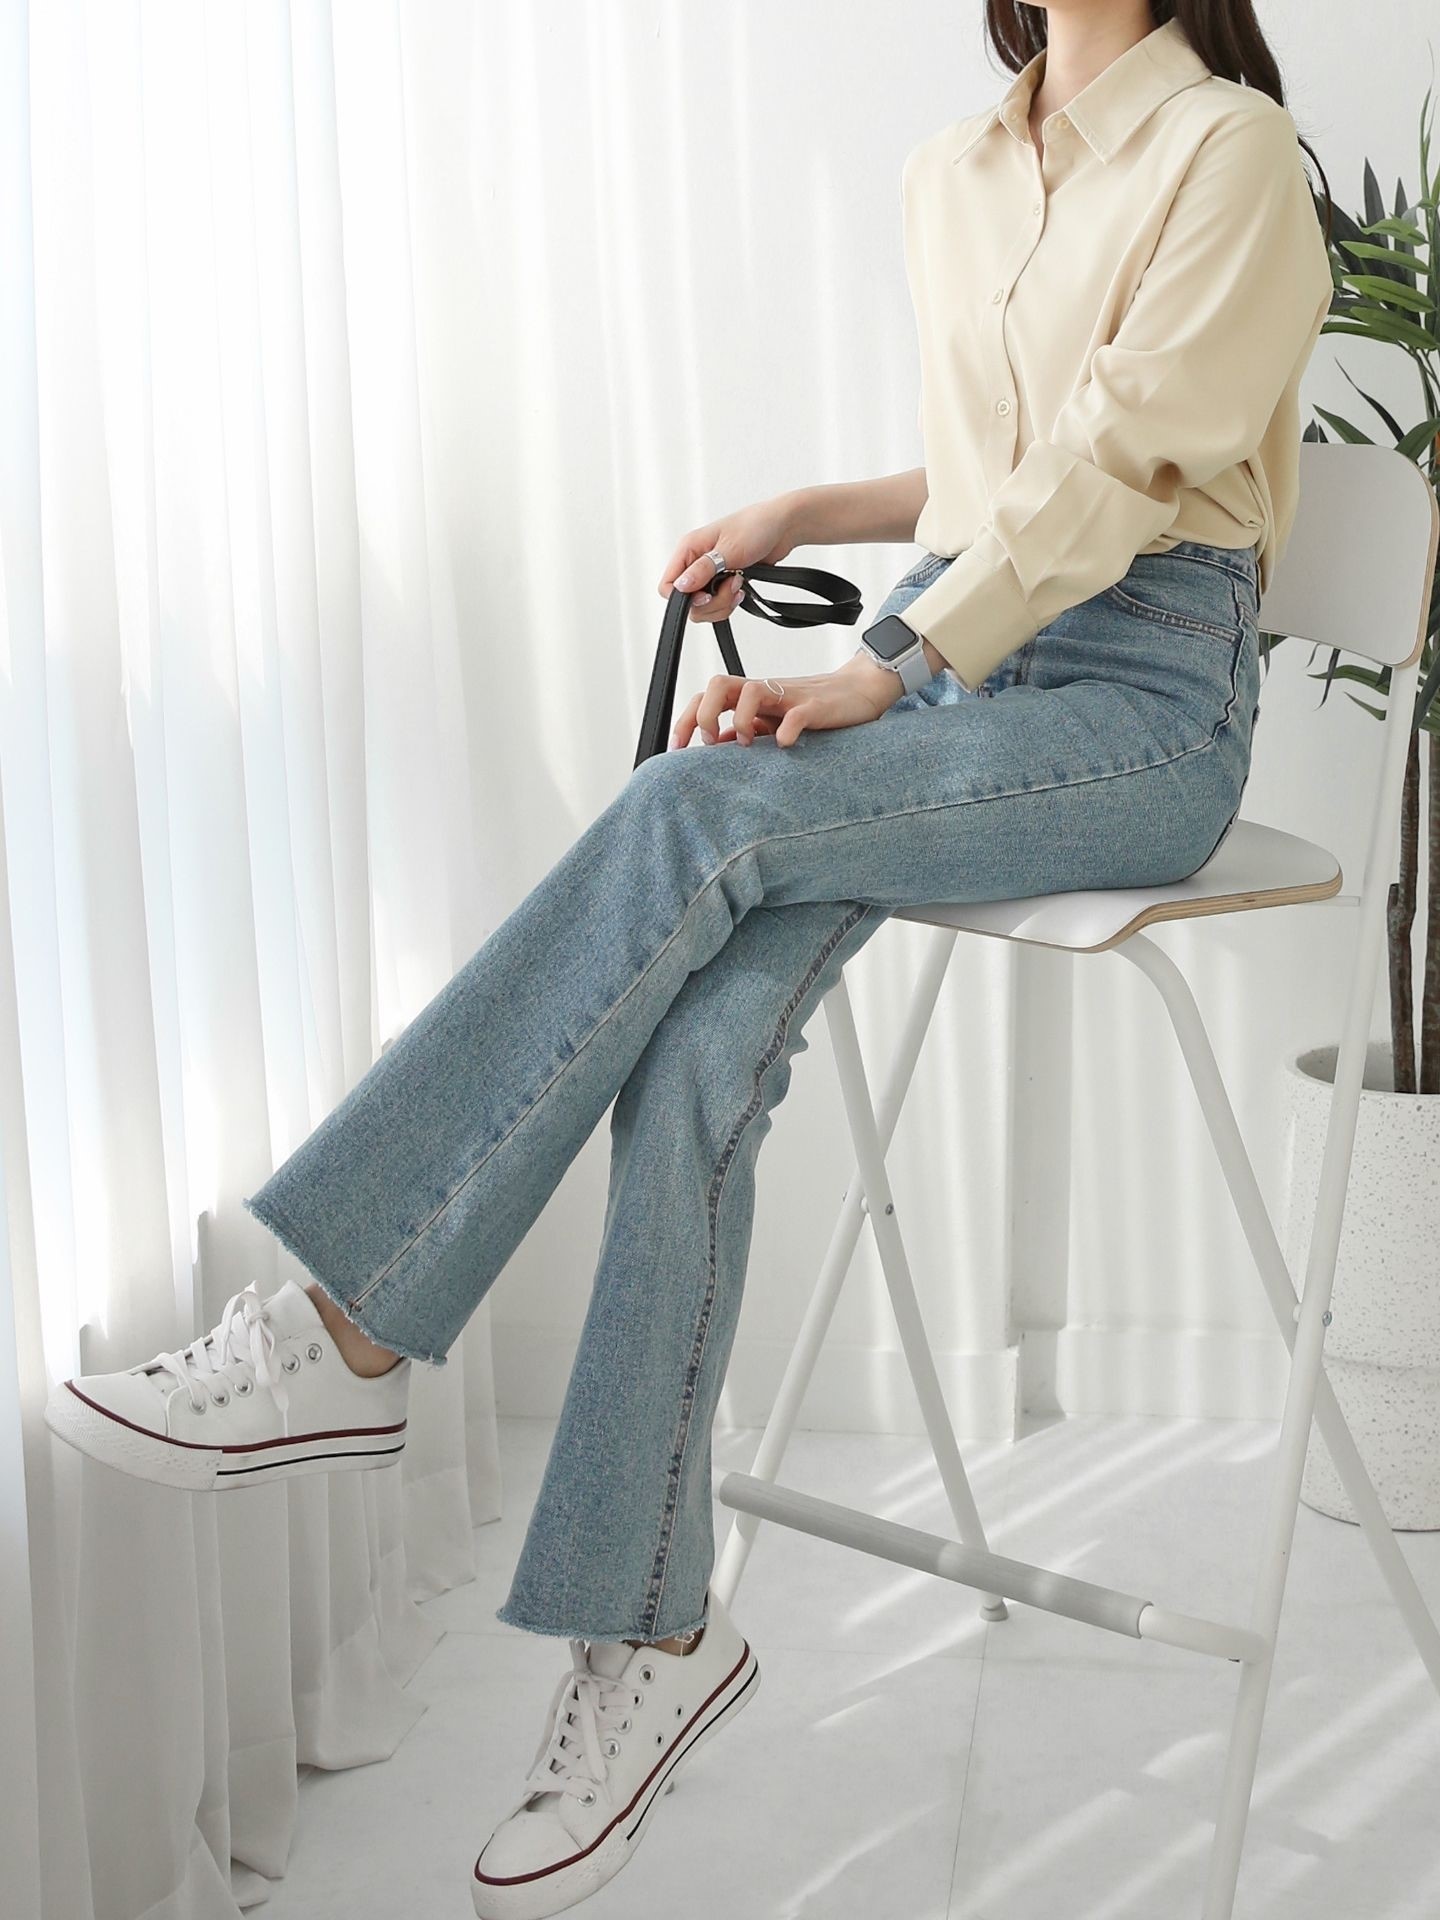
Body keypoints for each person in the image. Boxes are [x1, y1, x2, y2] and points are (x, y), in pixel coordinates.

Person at [44, 3, 1335, 1915]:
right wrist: (809, 520)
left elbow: (1130, 465)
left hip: (1142, 707)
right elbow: (996, 471)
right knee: (708, 1028)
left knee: (690, 811)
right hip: (967, 643)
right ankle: (650, 1633)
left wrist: (888, 666)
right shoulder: (959, 172)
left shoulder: (1232, 150)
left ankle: (348, 1328)